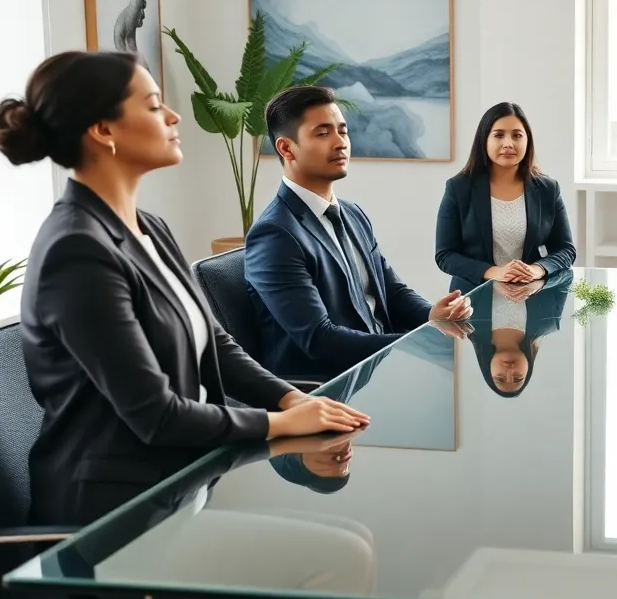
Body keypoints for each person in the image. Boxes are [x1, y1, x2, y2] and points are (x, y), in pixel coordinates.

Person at [0, 50, 379, 599]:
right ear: (103, 132)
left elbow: (217, 345)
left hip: (175, 491)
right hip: (108, 529)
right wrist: (283, 426)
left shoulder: (147, 226)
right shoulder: (77, 250)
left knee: (353, 541)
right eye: (153, 105)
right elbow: (156, 415)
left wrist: (293, 398)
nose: (174, 114)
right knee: (341, 561)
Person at [244, 85, 473, 386]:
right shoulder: (275, 234)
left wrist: (433, 316)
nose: (341, 143)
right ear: (287, 148)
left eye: (343, 131)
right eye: (323, 133)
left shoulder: (353, 215)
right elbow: (320, 339)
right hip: (329, 389)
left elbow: (392, 292)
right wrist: (410, 345)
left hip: (377, 370)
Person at [435, 102, 576, 293]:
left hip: (533, 297)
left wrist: (537, 269)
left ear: (527, 141)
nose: (508, 143)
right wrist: (495, 272)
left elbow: (566, 250)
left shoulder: (548, 189)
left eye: (517, 135)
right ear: (484, 139)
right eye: (499, 135)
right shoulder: (458, 188)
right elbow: (445, 255)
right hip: (473, 300)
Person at [465, 268, 573, 397]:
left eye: (500, 378)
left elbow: (461, 273)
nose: (509, 371)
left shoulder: (467, 324)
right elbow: (567, 275)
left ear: (488, 371)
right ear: (528, 370)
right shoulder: (547, 322)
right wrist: (540, 284)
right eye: (517, 378)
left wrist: (493, 276)